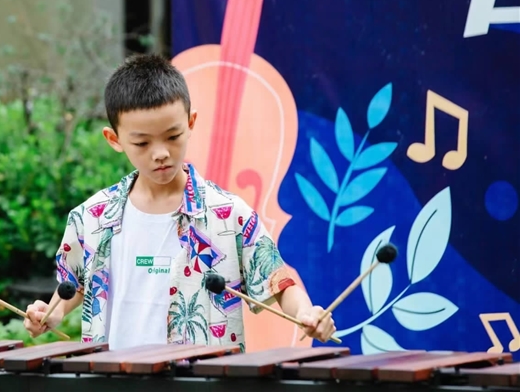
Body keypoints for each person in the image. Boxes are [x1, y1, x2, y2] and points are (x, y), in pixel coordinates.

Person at [23, 54, 336, 351]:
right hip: (112, 376)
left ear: (190, 122)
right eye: (142, 142)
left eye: (172, 137)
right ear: (114, 139)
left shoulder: (228, 215)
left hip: (200, 377)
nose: (160, 153)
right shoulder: (91, 217)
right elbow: (74, 286)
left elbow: (279, 283)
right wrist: (52, 313)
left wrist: (307, 313)